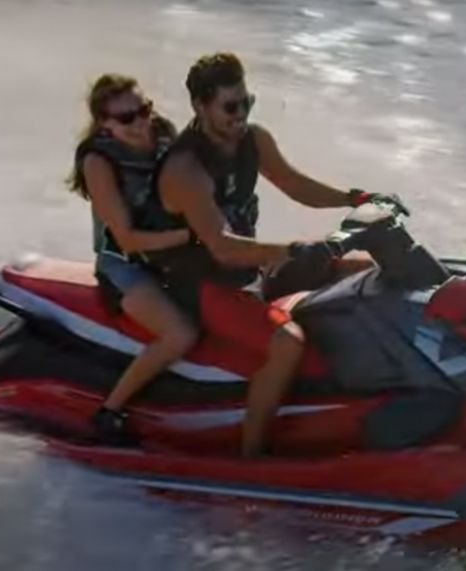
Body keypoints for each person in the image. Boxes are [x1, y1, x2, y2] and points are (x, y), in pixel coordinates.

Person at [146, 52, 405, 457]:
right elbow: (222, 248)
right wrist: (294, 251)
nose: (241, 115)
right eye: (230, 107)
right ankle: (252, 457)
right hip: (199, 285)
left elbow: (294, 184)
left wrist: (357, 198)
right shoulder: (186, 170)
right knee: (287, 341)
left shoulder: (253, 140)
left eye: (247, 102)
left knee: (364, 270)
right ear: (200, 106)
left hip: (250, 269)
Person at [66, 73, 198, 445]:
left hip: (175, 255)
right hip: (125, 264)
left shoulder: (165, 134)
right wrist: (193, 237)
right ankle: (110, 411)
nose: (141, 123)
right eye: (127, 119)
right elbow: (127, 238)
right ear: (105, 125)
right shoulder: (98, 161)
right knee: (180, 333)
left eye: (144, 110)